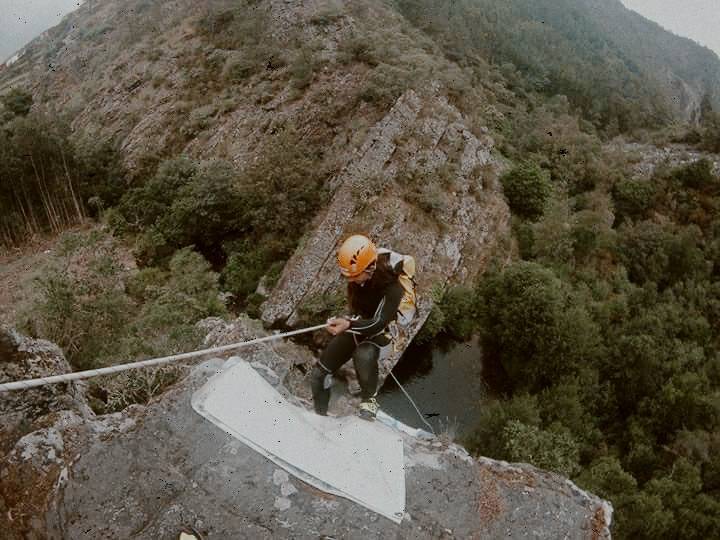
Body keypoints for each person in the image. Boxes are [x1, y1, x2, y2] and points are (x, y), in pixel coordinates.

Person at [310, 234, 410, 420]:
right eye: (348, 275)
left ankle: (369, 401)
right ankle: (319, 419)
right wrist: (346, 320)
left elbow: (379, 322)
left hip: (384, 333)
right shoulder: (358, 280)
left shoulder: (393, 288)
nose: (351, 280)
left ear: (371, 267)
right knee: (318, 375)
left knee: (363, 353)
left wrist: (349, 324)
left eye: (355, 275)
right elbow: (359, 312)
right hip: (361, 325)